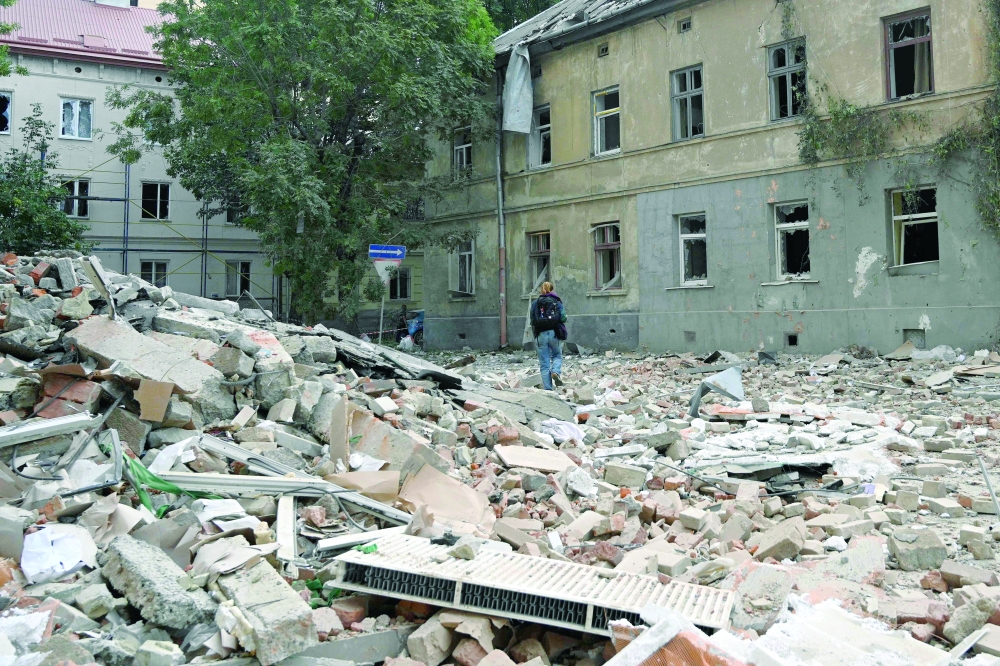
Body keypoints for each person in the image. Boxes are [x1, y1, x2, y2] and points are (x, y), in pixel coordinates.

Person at [530, 281, 567, 390]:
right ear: (551, 289)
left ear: (541, 290)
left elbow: (532, 320)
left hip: (540, 334)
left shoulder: (535, 303)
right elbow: (563, 317)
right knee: (557, 355)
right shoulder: (556, 301)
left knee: (544, 364)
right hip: (554, 333)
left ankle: (548, 390)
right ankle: (555, 371)